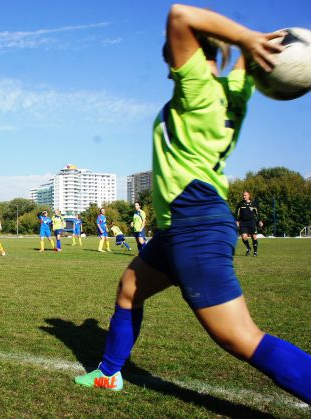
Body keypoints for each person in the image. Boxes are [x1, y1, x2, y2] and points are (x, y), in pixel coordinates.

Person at [75, 5, 310, 404]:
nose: (168, 49)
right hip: (182, 225)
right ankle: (110, 372)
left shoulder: (198, 85)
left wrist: (245, 37)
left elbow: (180, 14)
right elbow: (241, 63)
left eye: (172, 48)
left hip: (194, 225)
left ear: (193, 52)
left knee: (239, 337)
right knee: (130, 288)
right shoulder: (232, 89)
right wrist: (250, 46)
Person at [236, 191, 262, 256]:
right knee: (244, 237)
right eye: (243, 195)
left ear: (248, 196)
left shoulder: (253, 204)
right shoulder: (240, 204)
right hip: (243, 223)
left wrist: (260, 221)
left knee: (254, 237)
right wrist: (237, 221)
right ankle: (248, 248)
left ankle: (255, 252)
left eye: (245, 195)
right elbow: (237, 213)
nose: (244, 196)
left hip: (252, 222)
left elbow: (257, 213)